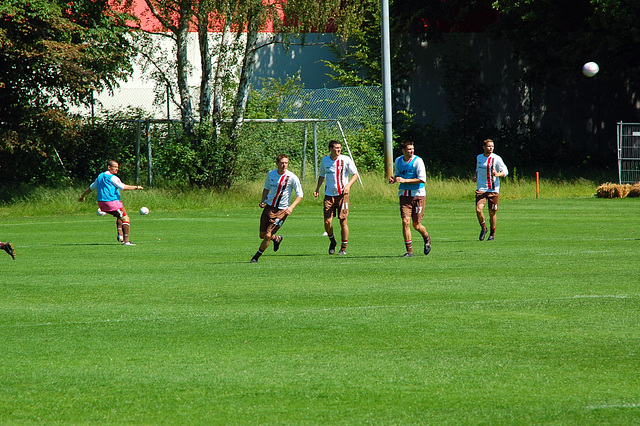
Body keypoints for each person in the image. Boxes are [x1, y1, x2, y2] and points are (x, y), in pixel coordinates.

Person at [251, 154, 304, 263]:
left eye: (286, 163)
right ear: (277, 163)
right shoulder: (271, 174)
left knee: (267, 235)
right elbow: (266, 189)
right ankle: (277, 238)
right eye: (282, 163)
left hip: (281, 211)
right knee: (262, 235)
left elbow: (300, 195)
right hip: (269, 208)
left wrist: (291, 207)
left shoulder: (292, 177)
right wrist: (262, 200)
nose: (284, 165)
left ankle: (256, 257)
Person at [78, 160, 143, 246]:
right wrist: (136, 187)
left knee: (119, 216)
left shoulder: (100, 176)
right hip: (112, 202)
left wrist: (82, 196)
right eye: (115, 167)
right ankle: (126, 241)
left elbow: (91, 187)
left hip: (101, 203)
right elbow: (122, 187)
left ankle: (120, 235)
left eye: (117, 167)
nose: (117, 169)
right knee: (126, 218)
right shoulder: (113, 177)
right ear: (109, 167)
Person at [313, 140, 359, 255]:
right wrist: (317, 188)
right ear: (330, 149)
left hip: (343, 195)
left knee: (343, 221)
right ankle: (332, 240)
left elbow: (355, 175)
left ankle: (343, 248)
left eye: (339, 148)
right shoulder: (325, 160)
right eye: (336, 148)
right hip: (329, 195)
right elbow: (322, 175)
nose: (339, 150)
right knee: (327, 222)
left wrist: (348, 185)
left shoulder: (345, 159)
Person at [388, 141, 431, 257]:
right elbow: (398, 175)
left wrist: (404, 180)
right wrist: (394, 180)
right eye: (409, 149)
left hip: (418, 195)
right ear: (403, 150)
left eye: (412, 149)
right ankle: (409, 251)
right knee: (405, 222)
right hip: (404, 196)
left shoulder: (418, 161)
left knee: (416, 225)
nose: (411, 151)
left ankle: (426, 238)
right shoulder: (398, 161)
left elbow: (422, 179)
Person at [474, 138, 508, 241]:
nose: (490, 148)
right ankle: (484, 228)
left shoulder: (496, 159)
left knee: (491, 213)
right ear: (484, 147)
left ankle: (492, 234)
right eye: (489, 146)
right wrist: (475, 177)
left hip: (493, 190)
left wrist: (497, 174)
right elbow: (477, 169)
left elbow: (505, 171)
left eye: (492, 146)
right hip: (481, 189)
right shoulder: (479, 157)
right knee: (478, 210)